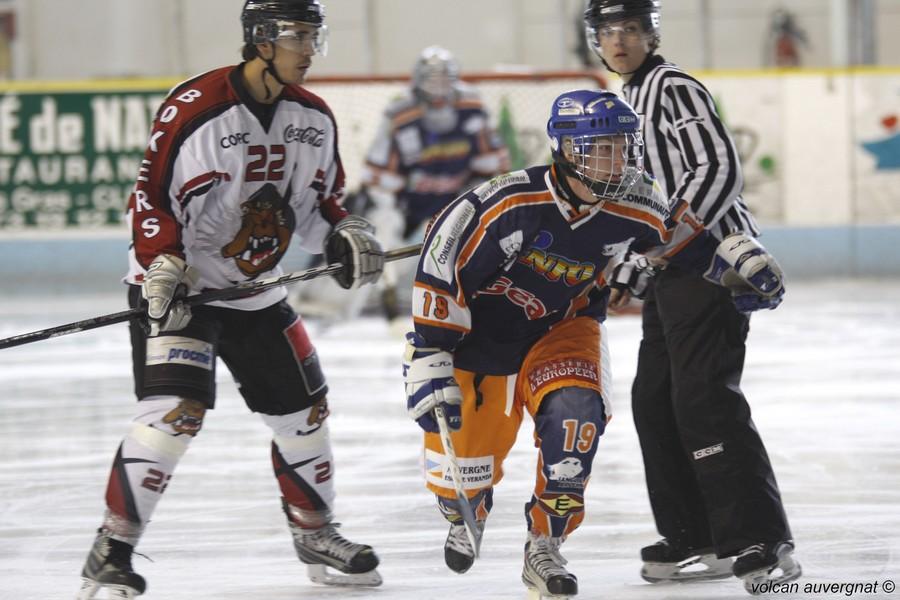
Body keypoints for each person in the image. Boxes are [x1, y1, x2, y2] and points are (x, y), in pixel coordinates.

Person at [402, 88, 784, 599]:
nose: (617, 159)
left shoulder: (637, 203)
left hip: (564, 328)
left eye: (623, 146)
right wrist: (430, 351)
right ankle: (463, 502)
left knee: (575, 420)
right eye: (600, 147)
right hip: (480, 338)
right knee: (461, 479)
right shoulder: (507, 203)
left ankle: (545, 544)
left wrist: (731, 267)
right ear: (565, 151)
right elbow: (439, 262)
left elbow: (677, 243)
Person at [76, 1, 386, 598]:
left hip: (253, 293)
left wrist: (346, 234)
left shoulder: (314, 118)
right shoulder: (195, 107)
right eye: (298, 36)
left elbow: (322, 207)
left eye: (314, 36)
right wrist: (161, 262)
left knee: (306, 413)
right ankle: (111, 551)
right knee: (174, 414)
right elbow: (151, 196)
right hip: (181, 291)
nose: (309, 49)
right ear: (261, 41)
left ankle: (315, 531)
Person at [584, 0, 802, 593]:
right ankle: (694, 533)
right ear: (595, 41)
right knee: (654, 398)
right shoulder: (623, 102)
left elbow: (716, 168)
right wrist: (628, 256)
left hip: (711, 261)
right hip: (671, 268)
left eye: (630, 28)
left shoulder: (671, 86)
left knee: (704, 398)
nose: (620, 40)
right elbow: (637, 197)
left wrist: (655, 244)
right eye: (609, 31)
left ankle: (762, 535)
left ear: (650, 34)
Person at [361, 45, 509, 321]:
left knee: (492, 225)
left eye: (445, 77)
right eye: (432, 78)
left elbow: (492, 166)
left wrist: (480, 203)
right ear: (418, 80)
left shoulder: (472, 107)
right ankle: (388, 290)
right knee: (382, 224)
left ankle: (481, 291)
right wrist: (387, 207)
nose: (439, 85)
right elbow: (380, 174)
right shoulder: (400, 114)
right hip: (410, 200)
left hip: (456, 197)